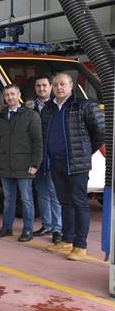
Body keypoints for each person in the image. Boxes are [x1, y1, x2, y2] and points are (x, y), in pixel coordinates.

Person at [42, 72, 105, 261]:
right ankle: (67, 240)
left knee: (79, 203)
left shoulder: (84, 106)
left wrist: (85, 151)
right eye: (56, 85)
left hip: (76, 164)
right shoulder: (48, 109)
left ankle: (80, 245)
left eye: (63, 84)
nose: (59, 88)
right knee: (65, 202)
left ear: (71, 87)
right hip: (56, 163)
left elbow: (100, 132)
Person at [0, 85, 43, 242]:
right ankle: (7, 228)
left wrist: (35, 163)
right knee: (9, 199)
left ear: (19, 95)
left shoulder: (31, 115)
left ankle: (28, 230)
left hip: (25, 165)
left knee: (26, 199)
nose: (10, 97)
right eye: (7, 95)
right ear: (4, 97)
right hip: (5, 165)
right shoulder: (0, 117)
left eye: (13, 94)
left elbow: (38, 142)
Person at [30, 75, 63, 244]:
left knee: (54, 193)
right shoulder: (30, 107)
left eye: (44, 85)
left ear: (50, 87)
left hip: (53, 157)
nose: (41, 89)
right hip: (37, 158)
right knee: (42, 193)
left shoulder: (57, 106)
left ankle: (58, 228)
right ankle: (47, 225)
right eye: (38, 86)